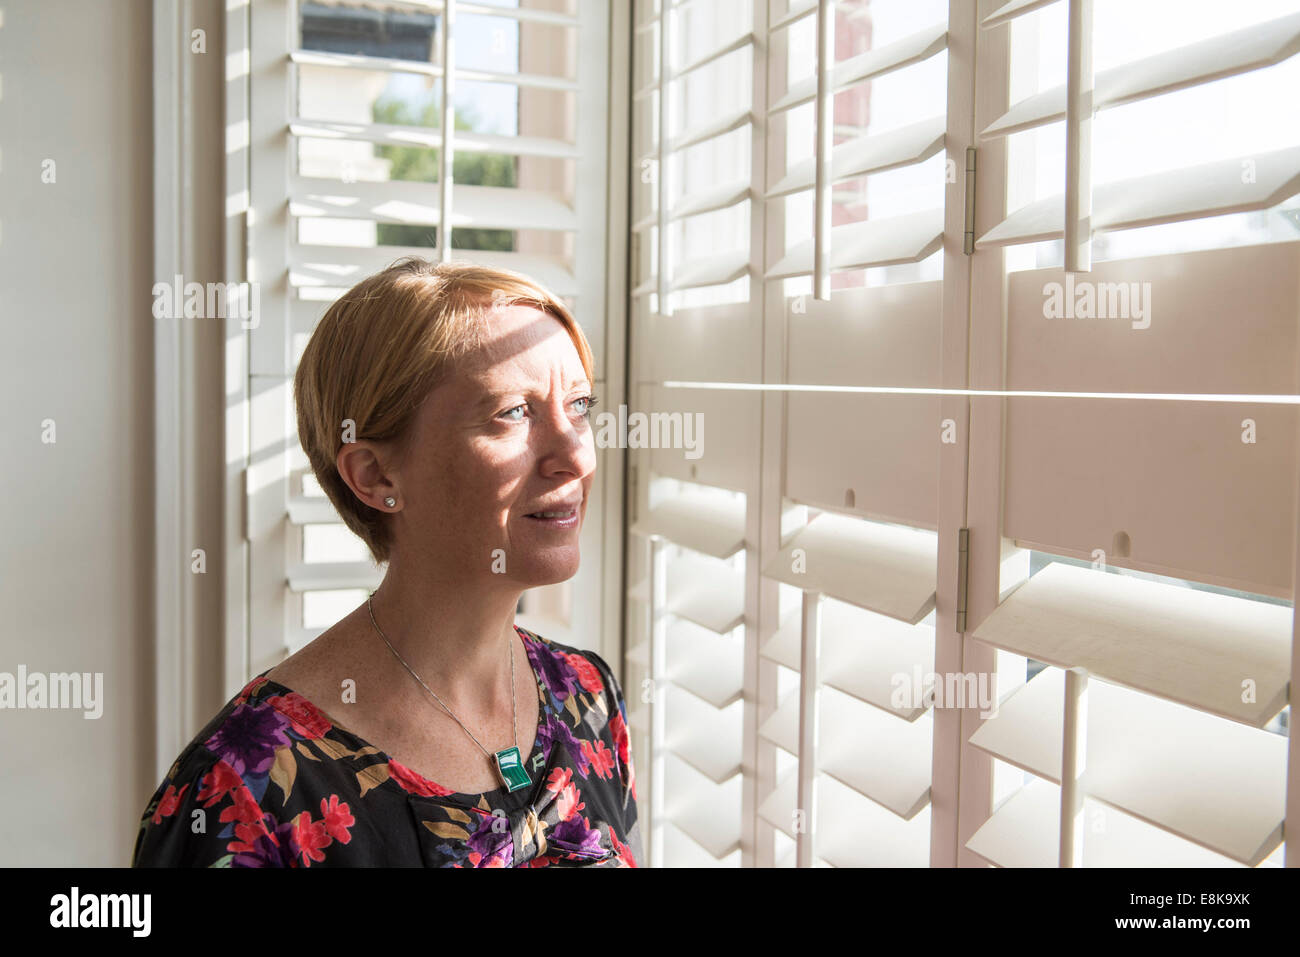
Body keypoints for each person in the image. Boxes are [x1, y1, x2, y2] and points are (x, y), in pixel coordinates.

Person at [132, 258, 640, 867]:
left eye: (580, 405)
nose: (573, 457)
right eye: (513, 412)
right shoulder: (245, 791)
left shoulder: (588, 694)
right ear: (375, 476)